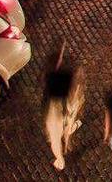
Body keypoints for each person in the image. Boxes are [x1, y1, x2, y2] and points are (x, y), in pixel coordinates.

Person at [42, 44, 85, 172]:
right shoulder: (63, 74)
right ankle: (72, 127)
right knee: (61, 131)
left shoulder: (53, 75)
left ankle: (60, 159)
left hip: (57, 110)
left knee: (55, 138)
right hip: (64, 108)